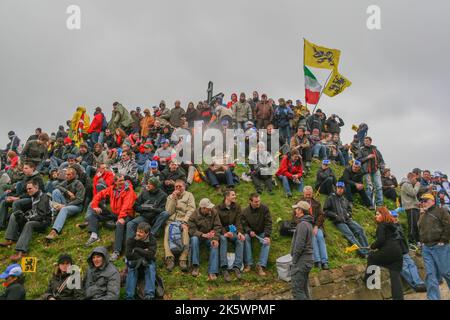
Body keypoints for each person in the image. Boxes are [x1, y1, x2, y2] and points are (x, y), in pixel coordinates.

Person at [84, 174, 137, 263]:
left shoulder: (129, 190)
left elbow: (127, 205)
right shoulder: (112, 189)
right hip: (115, 213)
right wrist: (95, 206)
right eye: (120, 181)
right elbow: (99, 195)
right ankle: (94, 235)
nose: (122, 182)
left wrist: (121, 217)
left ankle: (116, 251)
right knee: (93, 214)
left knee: (120, 224)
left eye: (123, 180)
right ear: (115, 182)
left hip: (127, 214)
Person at [0, 180, 52, 261]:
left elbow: (42, 215)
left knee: (29, 224)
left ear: (36, 188)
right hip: (35, 218)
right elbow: (32, 210)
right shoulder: (33, 196)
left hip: (43, 221)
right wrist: (23, 216)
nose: (28, 190)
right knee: (15, 215)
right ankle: (10, 239)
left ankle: (21, 251)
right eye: (27, 189)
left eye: (30, 188)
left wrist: (28, 218)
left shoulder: (44, 197)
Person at [365, 207, 404, 300]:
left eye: (378, 214)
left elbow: (381, 240)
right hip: (398, 253)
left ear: (384, 215)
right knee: (395, 279)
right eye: (376, 214)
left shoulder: (382, 225)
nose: (376, 216)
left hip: (388, 251)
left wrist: (372, 246)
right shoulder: (393, 225)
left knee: (371, 257)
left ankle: (370, 280)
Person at [417, 193, 450, 300]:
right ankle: (433, 298)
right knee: (430, 274)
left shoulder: (441, 211)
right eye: (421, 201)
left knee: (446, 272)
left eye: (425, 201)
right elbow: (420, 229)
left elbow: (448, 225)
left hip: (440, 246)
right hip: (426, 247)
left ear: (433, 201)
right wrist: (421, 242)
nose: (423, 203)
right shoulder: (423, 214)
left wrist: (443, 240)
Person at [324, 182, 369, 257]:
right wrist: (334, 215)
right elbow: (325, 210)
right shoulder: (330, 198)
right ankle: (363, 253)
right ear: (336, 188)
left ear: (344, 189)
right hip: (338, 221)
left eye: (341, 188)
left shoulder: (344, 199)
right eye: (338, 188)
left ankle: (367, 250)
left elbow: (349, 209)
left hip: (348, 219)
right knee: (350, 235)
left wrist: (349, 214)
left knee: (360, 230)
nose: (340, 189)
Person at [390, 210, 427, 293]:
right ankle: (415, 286)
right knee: (404, 268)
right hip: (397, 252)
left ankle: (419, 283)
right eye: (393, 216)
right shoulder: (389, 227)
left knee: (412, 265)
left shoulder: (398, 225)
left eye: (396, 216)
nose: (396, 218)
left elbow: (402, 239)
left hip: (404, 250)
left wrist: (407, 248)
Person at [0, 162, 45, 229]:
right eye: (24, 168)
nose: (24, 170)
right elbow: (22, 191)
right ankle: (2, 225)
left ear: (32, 168)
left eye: (26, 168)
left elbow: (34, 194)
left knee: (16, 203)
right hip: (24, 197)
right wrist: (12, 196)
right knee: (4, 202)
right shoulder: (26, 177)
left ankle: (18, 226)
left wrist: (17, 198)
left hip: (33, 199)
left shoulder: (37, 178)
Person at [164, 180, 196, 272]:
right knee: (167, 232)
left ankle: (183, 258)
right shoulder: (170, 197)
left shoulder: (189, 195)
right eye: (176, 187)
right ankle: (169, 258)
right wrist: (173, 199)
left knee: (185, 232)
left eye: (180, 186)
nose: (178, 188)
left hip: (183, 220)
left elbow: (191, 209)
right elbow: (169, 212)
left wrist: (185, 221)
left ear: (184, 187)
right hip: (171, 221)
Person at [45, 167, 85, 240]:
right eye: (66, 174)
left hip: (76, 206)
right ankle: (56, 212)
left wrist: (65, 205)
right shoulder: (67, 181)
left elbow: (79, 200)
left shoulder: (79, 184)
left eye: (68, 174)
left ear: (74, 175)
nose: (66, 176)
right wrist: (67, 192)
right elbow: (57, 186)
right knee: (55, 191)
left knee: (64, 209)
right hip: (66, 202)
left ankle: (55, 231)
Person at [188, 198, 222, 281]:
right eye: (208, 208)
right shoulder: (194, 215)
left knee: (214, 244)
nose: (210, 209)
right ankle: (195, 266)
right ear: (203, 208)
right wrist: (202, 234)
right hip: (199, 237)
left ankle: (213, 271)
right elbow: (192, 230)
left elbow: (218, 226)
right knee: (194, 239)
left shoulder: (214, 212)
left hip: (210, 237)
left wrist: (215, 238)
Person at [216, 190, 245, 281]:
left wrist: (239, 232)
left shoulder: (237, 207)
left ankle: (237, 266)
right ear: (227, 197)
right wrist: (224, 232)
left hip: (233, 232)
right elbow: (217, 223)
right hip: (222, 232)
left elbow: (238, 221)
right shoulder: (218, 208)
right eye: (233, 195)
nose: (235, 196)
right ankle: (224, 268)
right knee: (223, 239)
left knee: (240, 240)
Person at [241, 193, 272, 276]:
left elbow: (268, 223)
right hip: (250, 233)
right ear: (250, 201)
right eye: (255, 202)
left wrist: (267, 236)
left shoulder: (264, 208)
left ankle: (260, 265)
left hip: (262, 232)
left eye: (259, 201)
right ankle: (248, 263)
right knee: (245, 238)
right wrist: (249, 231)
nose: (258, 203)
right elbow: (244, 224)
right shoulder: (245, 211)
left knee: (267, 242)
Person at [125, 222, 157, 300]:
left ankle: (149, 295)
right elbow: (128, 255)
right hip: (134, 261)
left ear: (147, 233)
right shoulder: (131, 239)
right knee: (132, 268)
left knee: (150, 267)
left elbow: (151, 255)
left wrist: (137, 249)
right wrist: (144, 253)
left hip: (147, 261)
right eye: (137, 231)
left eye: (141, 232)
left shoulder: (152, 240)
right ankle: (129, 296)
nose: (138, 233)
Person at [299, 186, 328, 270]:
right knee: (312, 238)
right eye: (306, 194)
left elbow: (321, 215)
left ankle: (325, 261)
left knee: (320, 237)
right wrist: (306, 226)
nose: (308, 196)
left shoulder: (316, 203)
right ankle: (317, 261)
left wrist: (316, 226)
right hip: (306, 226)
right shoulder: (300, 203)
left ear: (312, 194)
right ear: (303, 194)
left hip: (316, 226)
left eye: (310, 194)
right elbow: (296, 216)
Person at [290, 201, 314, 300]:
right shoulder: (308, 224)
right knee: (304, 289)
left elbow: (299, 245)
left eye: (297, 209)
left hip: (301, 261)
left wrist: (294, 261)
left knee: (297, 291)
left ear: (301, 211)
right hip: (307, 260)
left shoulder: (302, 225)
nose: (295, 211)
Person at [357, 136, 385, 207]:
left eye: (367, 141)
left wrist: (381, 167)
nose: (366, 142)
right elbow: (358, 160)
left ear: (370, 142)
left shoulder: (375, 150)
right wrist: (367, 157)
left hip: (376, 170)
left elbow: (381, 160)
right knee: (369, 186)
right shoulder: (361, 150)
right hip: (366, 170)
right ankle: (369, 203)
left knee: (378, 186)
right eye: (365, 141)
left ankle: (380, 204)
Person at [400, 172, 421, 246]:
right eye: (415, 178)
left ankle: (417, 240)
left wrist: (418, 203)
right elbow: (413, 193)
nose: (416, 181)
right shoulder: (406, 184)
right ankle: (411, 241)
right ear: (411, 177)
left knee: (416, 224)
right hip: (410, 207)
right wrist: (417, 186)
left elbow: (413, 197)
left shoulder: (410, 185)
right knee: (412, 224)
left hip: (414, 206)